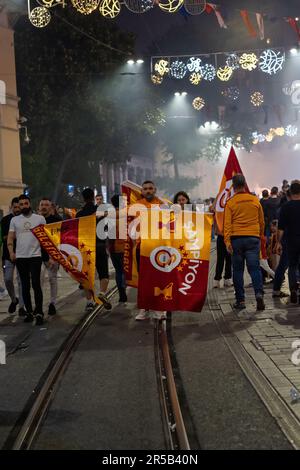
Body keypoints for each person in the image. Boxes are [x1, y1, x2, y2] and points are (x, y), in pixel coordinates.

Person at [224, 174, 265, 311]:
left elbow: (227, 225)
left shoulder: (230, 202)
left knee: (238, 271)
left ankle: (240, 300)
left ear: (234, 186)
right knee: (254, 269)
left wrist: (227, 242)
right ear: (245, 184)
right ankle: (259, 294)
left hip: (236, 240)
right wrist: (259, 235)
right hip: (253, 238)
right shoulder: (254, 200)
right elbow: (261, 221)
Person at [7, 194, 46, 325]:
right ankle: (29, 312)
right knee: (24, 286)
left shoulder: (40, 219)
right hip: (21, 257)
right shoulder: (15, 220)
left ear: (30, 204)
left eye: (26, 203)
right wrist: (11, 252)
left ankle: (39, 312)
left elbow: (46, 240)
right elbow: (10, 238)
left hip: (35, 256)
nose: (24, 206)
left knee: (36, 284)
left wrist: (50, 256)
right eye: (21, 204)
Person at [134, 181, 166, 321]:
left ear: (155, 189)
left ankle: (159, 308)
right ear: (142, 191)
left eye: (150, 188)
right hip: (142, 248)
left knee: (159, 279)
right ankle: (143, 309)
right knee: (143, 280)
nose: (148, 191)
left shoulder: (162, 205)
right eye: (145, 189)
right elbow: (121, 213)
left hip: (158, 248)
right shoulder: (136, 205)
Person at [76, 188, 112, 312]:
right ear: (93, 197)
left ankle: (89, 302)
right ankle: (102, 292)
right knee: (104, 274)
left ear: (83, 198)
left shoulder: (79, 214)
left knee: (87, 276)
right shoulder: (101, 213)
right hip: (100, 246)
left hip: (86, 248)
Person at [1, 197, 25, 315]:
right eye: (15, 207)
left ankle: (21, 306)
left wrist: (12, 235)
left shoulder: (24, 219)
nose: (17, 209)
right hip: (8, 255)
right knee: (8, 279)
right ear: (11, 207)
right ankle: (13, 299)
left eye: (18, 207)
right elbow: (4, 238)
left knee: (21, 281)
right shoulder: (5, 220)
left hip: (22, 254)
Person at [277, 180, 300, 304]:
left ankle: (293, 290)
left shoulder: (285, 207)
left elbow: (280, 228)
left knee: (292, 266)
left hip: (291, 240)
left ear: (290, 192)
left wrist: (278, 242)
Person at [39, 197, 62, 316]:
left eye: (46, 205)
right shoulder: (36, 220)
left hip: (52, 255)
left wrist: (54, 256)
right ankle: (40, 305)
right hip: (38, 256)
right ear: (39, 207)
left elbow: (59, 239)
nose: (43, 207)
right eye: (42, 205)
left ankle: (52, 303)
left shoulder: (56, 220)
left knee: (52, 280)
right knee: (39, 282)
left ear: (50, 207)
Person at [108, 194, 127, 303]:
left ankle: (121, 293)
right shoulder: (125, 214)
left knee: (118, 271)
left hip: (112, 248)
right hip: (124, 247)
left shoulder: (109, 215)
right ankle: (124, 287)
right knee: (124, 271)